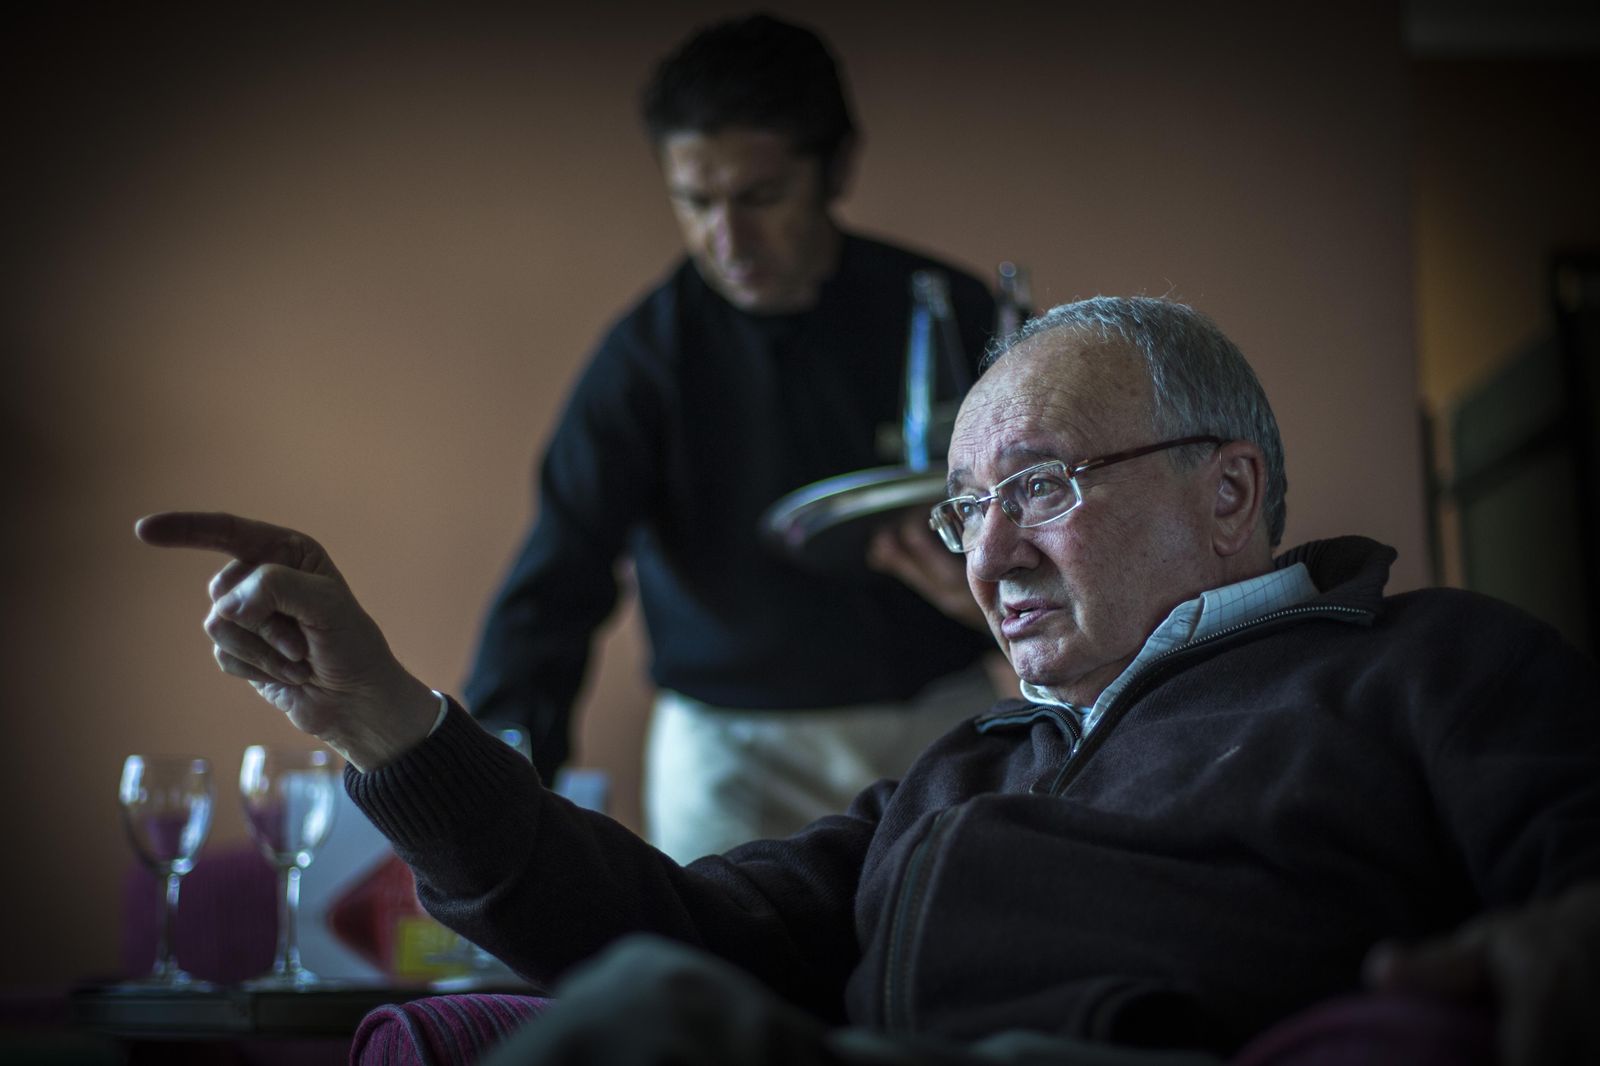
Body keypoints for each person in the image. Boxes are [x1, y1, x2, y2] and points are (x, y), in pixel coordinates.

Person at [137, 296, 1600, 1066]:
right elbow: (664, 924)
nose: (991, 553)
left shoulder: (1435, 664)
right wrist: (381, 716)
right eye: (970, 511)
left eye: (1039, 483)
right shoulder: (969, 768)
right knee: (650, 991)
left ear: (1231, 492)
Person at [462, 12, 1001, 860]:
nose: (728, 239)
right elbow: (557, 576)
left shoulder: (950, 312)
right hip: (726, 754)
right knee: (718, 988)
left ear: (835, 169)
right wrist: (487, 801)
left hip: (937, 724)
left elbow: (1074, 507)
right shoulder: (646, 357)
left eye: (760, 197)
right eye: (695, 201)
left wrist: (990, 590)